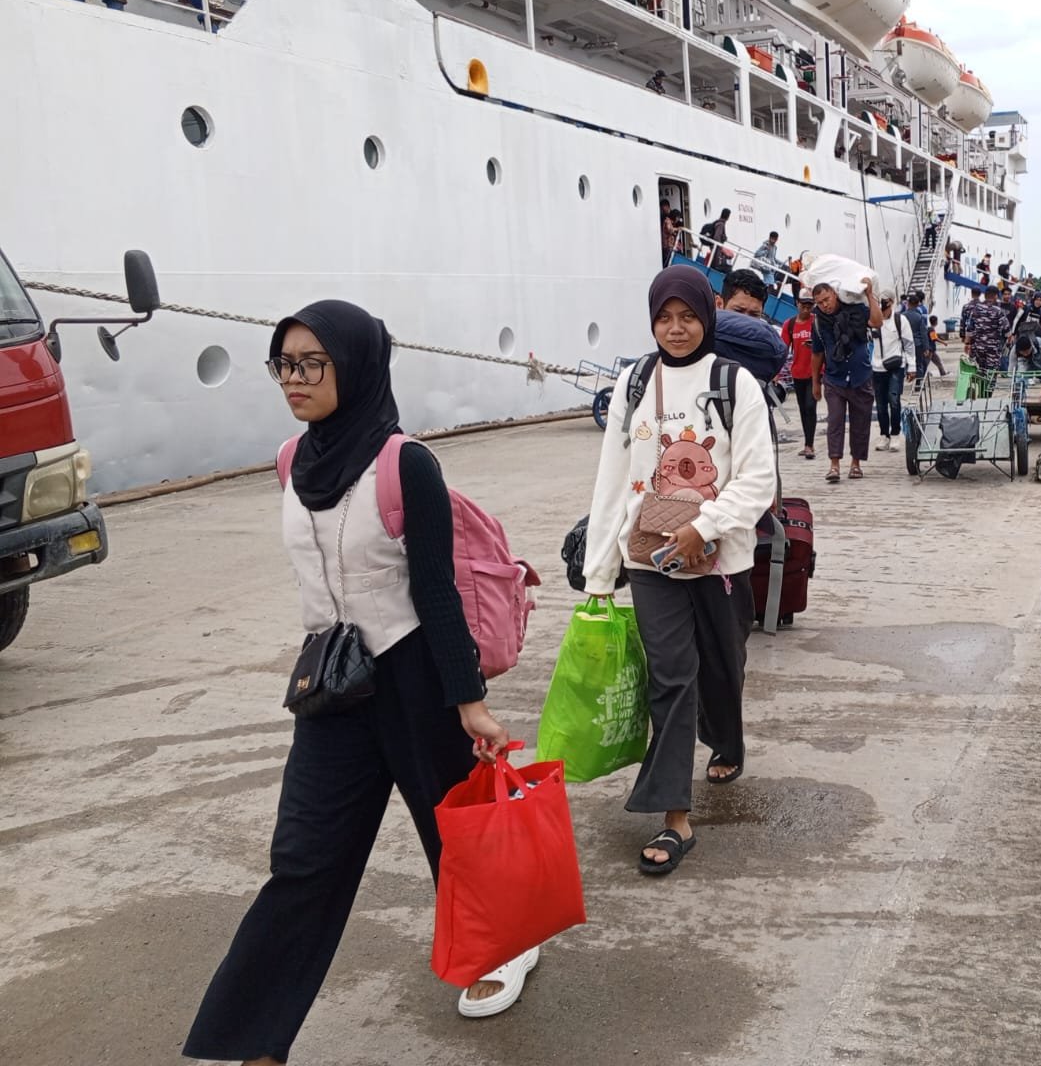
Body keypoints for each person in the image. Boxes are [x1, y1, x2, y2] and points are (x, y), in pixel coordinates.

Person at [185, 302, 521, 1066]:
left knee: (451, 838)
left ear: (357, 366)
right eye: (285, 364)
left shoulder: (408, 465)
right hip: (331, 682)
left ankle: (504, 947)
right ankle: (254, 1041)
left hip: (413, 678)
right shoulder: (289, 461)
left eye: (312, 364)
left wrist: (469, 702)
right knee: (304, 860)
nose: (294, 380)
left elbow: (437, 592)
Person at [581, 267, 777, 876]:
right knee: (671, 678)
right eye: (664, 318)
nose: (676, 329)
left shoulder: (734, 382)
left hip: (720, 561)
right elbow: (613, 476)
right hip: (650, 560)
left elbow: (758, 478)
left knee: (723, 667)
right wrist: (598, 571)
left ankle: (728, 739)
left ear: (707, 316)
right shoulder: (634, 382)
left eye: (687, 316)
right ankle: (674, 817)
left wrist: (705, 527)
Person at [811, 276, 882, 483]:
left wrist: (869, 295)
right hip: (834, 378)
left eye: (827, 299)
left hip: (861, 375)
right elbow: (817, 354)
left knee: (861, 421)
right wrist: (816, 382)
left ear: (834, 293)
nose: (825, 305)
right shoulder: (818, 322)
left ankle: (856, 464)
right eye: (820, 303)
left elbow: (877, 322)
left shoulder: (856, 310)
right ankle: (834, 466)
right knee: (835, 421)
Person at [870, 292, 916, 452]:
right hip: (877, 368)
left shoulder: (900, 320)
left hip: (896, 366)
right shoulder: (872, 321)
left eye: (886, 307)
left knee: (894, 400)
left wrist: (912, 367)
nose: (883, 311)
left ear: (892, 303)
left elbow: (909, 344)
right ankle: (884, 435)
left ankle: (895, 434)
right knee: (881, 404)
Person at [782, 290, 819, 459]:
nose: (806, 308)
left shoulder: (817, 323)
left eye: (810, 305)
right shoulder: (789, 325)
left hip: (815, 372)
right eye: (804, 304)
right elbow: (782, 349)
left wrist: (816, 345)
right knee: (803, 409)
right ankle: (807, 443)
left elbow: (827, 342)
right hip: (797, 373)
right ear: (797, 303)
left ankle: (810, 445)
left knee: (811, 407)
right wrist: (776, 373)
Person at [966, 284, 1011, 371]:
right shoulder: (998, 311)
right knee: (991, 372)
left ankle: (982, 384)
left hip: (978, 347)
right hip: (992, 348)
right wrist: (1008, 342)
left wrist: (968, 344)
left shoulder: (975, 309)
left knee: (980, 371)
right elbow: (1007, 330)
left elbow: (969, 329)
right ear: (995, 296)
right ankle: (990, 385)